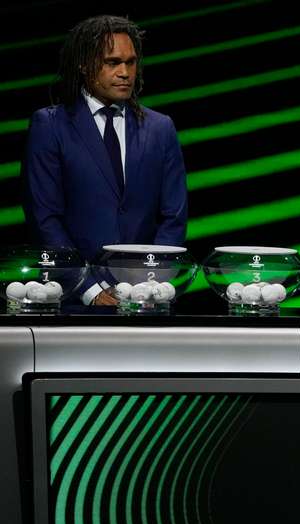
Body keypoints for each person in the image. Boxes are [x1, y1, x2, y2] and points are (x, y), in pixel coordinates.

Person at [22, 15, 187, 306]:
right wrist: (89, 289)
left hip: (145, 301)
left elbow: (173, 216)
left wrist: (149, 282)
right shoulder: (50, 126)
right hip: (75, 302)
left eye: (131, 62)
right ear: (84, 65)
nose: (125, 72)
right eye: (113, 62)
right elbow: (44, 217)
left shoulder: (160, 129)